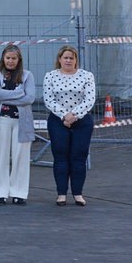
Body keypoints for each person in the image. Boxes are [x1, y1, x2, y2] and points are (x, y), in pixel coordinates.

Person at [43, 45, 96, 207]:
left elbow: (90, 98)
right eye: (65, 57)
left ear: (76, 60)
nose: (68, 60)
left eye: (71, 58)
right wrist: (64, 115)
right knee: (60, 157)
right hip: (58, 121)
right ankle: (61, 194)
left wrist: (74, 116)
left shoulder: (86, 76)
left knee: (78, 158)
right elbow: (48, 98)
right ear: (59, 59)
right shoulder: (50, 76)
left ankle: (78, 193)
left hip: (82, 122)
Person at [0, 44, 36, 205]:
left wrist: (5, 97)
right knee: (0, 156)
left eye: (14, 58)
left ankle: (18, 192)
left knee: (20, 156)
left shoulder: (27, 76)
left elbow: (30, 98)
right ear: (3, 58)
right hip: (2, 119)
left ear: (18, 59)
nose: (10, 61)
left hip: (21, 122)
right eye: (8, 58)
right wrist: (17, 94)